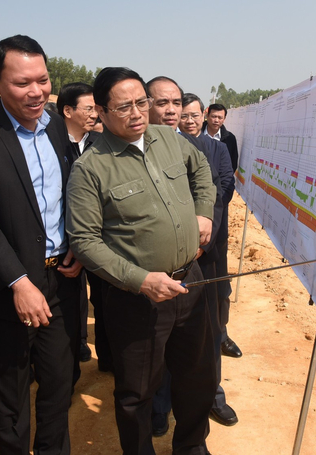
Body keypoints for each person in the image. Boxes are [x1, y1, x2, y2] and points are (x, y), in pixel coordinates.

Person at [67, 67, 217, 455]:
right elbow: (84, 240)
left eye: (141, 103)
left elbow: (202, 171)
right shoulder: (90, 168)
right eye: (123, 107)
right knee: (137, 392)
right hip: (137, 300)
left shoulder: (168, 137)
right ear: (100, 111)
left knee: (198, 375)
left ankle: (191, 445)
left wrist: (204, 212)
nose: (136, 113)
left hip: (192, 282)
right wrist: (140, 280)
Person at [0, 34, 82, 455]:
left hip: (60, 277)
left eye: (43, 79)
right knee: (10, 393)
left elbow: (69, 193)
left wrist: (75, 241)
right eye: (23, 82)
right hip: (6, 287)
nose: (37, 91)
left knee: (60, 381)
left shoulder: (57, 126)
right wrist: (18, 281)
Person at [178, 93, 238, 426]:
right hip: (174, 250)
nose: (188, 120)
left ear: (203, 115)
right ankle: (165, 401)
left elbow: (224, 188)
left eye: (192, 114)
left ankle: (213, 394)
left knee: (212, 325)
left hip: (209, 249)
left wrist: (204, 234)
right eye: (182, 115)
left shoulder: (218, 149)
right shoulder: (166, 150)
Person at [57, 82, 105, 367]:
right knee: (69, 302)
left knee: (100, 298)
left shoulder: (100, 144)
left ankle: (105, 355)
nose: (94, 114)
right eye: (89, 108)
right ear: (67, 110)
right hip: (61, 240)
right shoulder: (50, 145)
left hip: (97, 236)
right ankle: (74, 347)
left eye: (96, 109)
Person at [202, 103, 241, 359]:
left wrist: (211, 216)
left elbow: (227, 181)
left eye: (194, 115)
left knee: (219, 286)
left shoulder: (222, 144)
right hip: (183, 234)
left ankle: (221, 335)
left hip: (214, 229)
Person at [203, 104, 238, 172]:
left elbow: (232, 164)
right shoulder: (196, 134)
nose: (216, 120)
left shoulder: (230, 139)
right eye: (214, 116)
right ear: (207, 116)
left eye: (220, 118)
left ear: (224, 119)